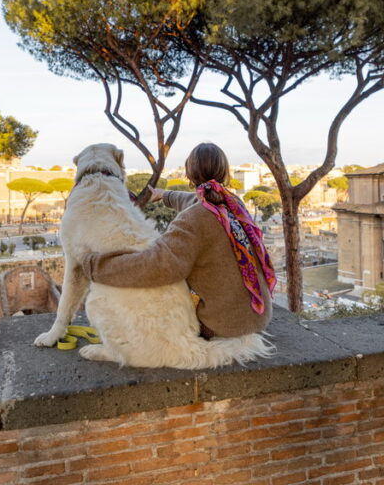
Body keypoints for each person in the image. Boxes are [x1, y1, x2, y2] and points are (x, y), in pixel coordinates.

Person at [81, 142, 277, 339]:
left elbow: (156, 265)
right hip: (258, 315)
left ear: (188, 174)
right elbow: (193, 201)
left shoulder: (194, 219)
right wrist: (164, 195)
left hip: (224, 326)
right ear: (225, 173)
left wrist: (95, 265)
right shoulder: (233, 203)